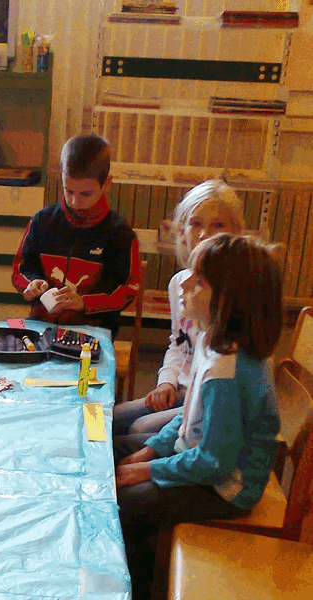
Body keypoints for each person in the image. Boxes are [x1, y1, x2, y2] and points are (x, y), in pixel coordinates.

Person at [114, 233, 282, 600]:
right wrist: (151, 450)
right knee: (112, 450)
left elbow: (214, 463)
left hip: (225, 488)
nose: (185, 284)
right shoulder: (210, 340)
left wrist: (147, 470)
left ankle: (138, 587)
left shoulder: (229, 371)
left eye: (200, 280)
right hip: (199, 459)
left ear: (230, 299)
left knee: (124, 504)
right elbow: (189, 415)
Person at [113, 179, 245, 435]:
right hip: (182, 387)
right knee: (113, 418)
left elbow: (227, 376)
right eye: (196, 224)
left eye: (218, 225)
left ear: (235, 231)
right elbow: (179, 343)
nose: (204, 235)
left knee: (138, 429)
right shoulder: (179, 284)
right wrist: (167, 382)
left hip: (210, 398)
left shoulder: (235, 292)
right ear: (182, 230)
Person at [11, 133, 141, 335]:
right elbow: (21, 267)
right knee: (4, 343)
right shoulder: (42, 221)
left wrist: (84, 303)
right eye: (68, 190)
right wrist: (31, 284)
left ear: (106, 184)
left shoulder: (119, 233)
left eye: (85, 194)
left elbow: (127, 290)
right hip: (41, 323)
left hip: (93, 329)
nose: (74, 201)